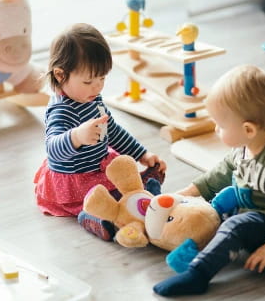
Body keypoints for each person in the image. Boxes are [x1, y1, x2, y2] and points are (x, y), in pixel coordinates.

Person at [153, 64, 265, 296]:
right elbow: (223, 170)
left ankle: (198, 274)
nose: (215, 128)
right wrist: (186, 193)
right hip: (259, 208)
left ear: (249, 129)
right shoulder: (246, 146)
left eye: (221, 125)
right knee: (214, 212)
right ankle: (195, 246)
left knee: (234, 225)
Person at [34, 23, 166, 240]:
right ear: (60, 75)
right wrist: (76, 136)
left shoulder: (92, 98)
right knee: (100, 200)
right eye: (88, 81)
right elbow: (52, 150)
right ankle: (95, 219)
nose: (97, 87)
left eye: (102, 78)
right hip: (75, 179)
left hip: (99, 165)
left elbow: (112, 131)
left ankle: (142, 188)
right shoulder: (61, 111)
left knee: (122, 176)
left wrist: (142, 154)